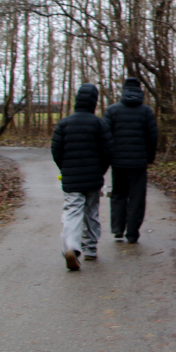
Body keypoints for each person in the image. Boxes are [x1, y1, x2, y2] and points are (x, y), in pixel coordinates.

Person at [52, 83, 113, 271]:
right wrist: (100, 171)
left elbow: (56, 151)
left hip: (71, 178)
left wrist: (65, 169)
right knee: (91, 211)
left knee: (72, 212)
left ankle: (71, 246)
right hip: (94, 177)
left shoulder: (64, 123)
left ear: (77, 100)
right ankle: (91, 249)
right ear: (94, 102)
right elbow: (108, 152)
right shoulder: (99, 124)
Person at [104, 77, 159, 244]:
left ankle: (118, 228)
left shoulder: (112, 111)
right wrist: (149, 158)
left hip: (118, 162)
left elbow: (104, 136)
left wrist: (108, 157)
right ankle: (133, 233)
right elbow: (153, 137)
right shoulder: (146, 112)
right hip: (139, 163)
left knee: (118, 194)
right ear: (140, 91)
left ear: (124, 91)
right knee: (137, 197)